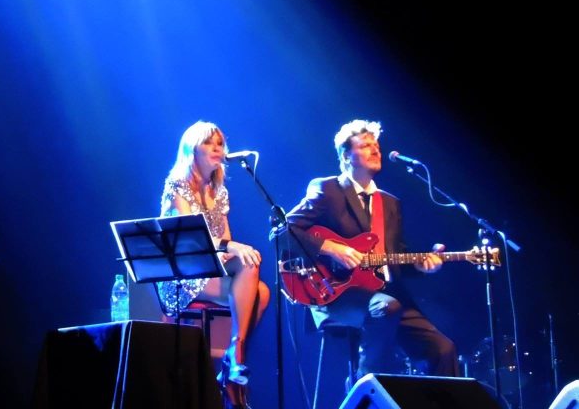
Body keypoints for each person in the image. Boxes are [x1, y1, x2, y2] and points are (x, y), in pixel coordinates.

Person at [282, 119, 458, 380]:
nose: (376, 150)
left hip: (387, 295)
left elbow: (394, 255)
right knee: (386, 309)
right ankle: (367, 387)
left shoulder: (390, 203)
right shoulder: (327, 189)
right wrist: (330, 247)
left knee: (443, 350)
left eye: (376, 145)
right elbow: (282, 232)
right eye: (365, 146)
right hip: (337, 294)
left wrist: (422, 266)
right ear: (345, 156)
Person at [157, 121, 270, 409]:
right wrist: (231, 248)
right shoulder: (177, 184)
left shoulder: (219, 191)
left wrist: (233, 250)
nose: (217, 148)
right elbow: (189, 238)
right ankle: (234, 364)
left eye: (220, 143)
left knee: (262, 287)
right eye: (209, 143)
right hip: (181, 275)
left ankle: (235, 352)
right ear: (192, 149)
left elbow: (225, 239)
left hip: (211, 268)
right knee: (252, 279)